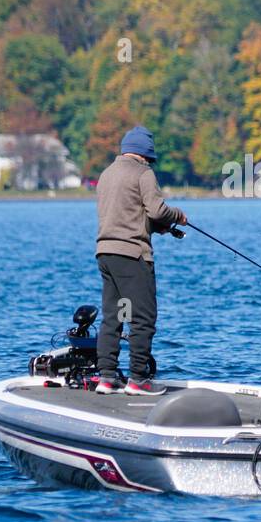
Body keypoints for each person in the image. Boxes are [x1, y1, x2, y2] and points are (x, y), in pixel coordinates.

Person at [93, 126, 187, 395]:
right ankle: (138, 379)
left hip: (107, 255)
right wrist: (178, 216)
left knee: (116, 316)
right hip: (133, 258)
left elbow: (128, 214)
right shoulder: (143, 173)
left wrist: (157, 228)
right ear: (145, 155)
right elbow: (157, 210)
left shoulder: (107, 174)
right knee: (143, 318)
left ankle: (107, 377)